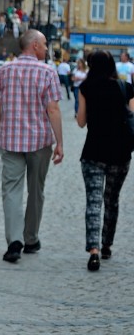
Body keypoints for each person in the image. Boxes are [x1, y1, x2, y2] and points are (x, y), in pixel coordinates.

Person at [0, 29, 64, 263]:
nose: (46, 48)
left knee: (11, 190)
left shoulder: (5, 69)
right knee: (36, 190)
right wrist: (59, 141)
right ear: (33, 45)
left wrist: (0, 129)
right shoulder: (47, 72)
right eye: (43, 44)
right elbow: (52, 109)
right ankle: (30, 238)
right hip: (39, 142)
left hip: (11, 140)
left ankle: (14, 241)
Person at [76, 50, 134, 271]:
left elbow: (81, 122)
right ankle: (107, 244)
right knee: (112, 200)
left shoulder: (86, 88)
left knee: (93, 202)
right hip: (120, 154)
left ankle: (94, 250)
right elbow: (132, 120)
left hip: (93, 152)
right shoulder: (126, 88)